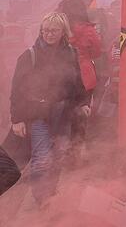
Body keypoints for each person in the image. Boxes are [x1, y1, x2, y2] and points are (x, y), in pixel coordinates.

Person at [9, 12, 90, 204]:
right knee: (42, 158)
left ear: (63, 32)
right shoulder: (30, 55)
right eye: (45, 31)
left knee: (59, 155)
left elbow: (77, 81)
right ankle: (41, 199)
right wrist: (16, 119)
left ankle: (51, 194)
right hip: (39, 114)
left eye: (53, 31)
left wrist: (83, 102)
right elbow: (17, 89)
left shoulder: (71, 53)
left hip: (63, 114)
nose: (49, 34)